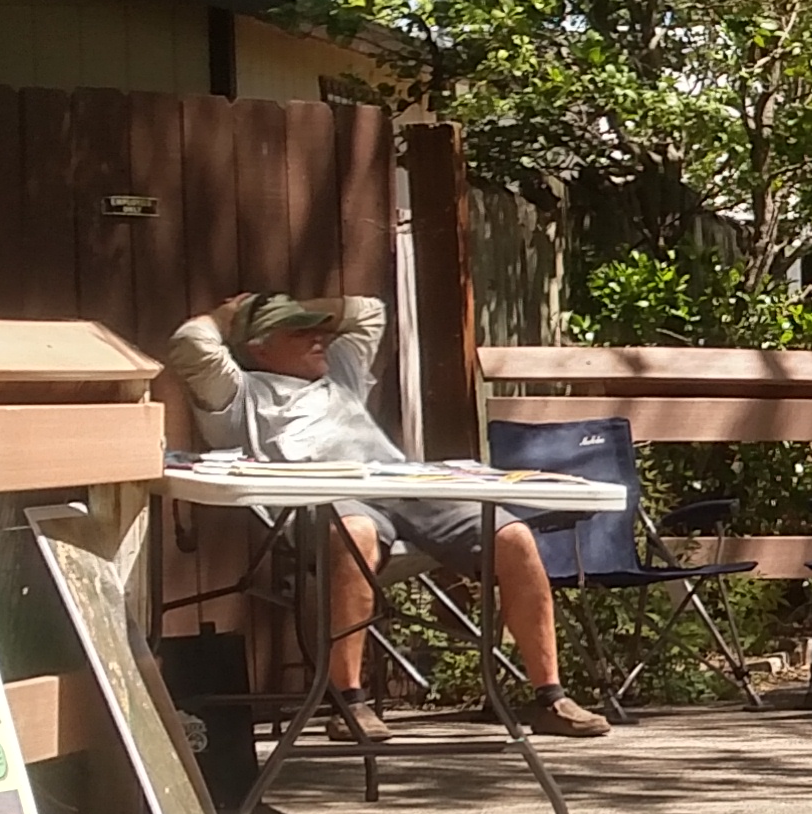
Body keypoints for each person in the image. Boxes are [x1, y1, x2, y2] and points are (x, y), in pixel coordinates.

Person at [164, 289, 612, 743]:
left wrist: (299, 307)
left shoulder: (339, 372)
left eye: (320, 328)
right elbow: (189, 344)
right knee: (355, 533)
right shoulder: (238, 392)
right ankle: (350, 702)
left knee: (513, 536)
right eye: (300, 332)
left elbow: (369, 311)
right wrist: (227, 315)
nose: (320, 337)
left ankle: (550, 697)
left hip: (400, 484)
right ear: (258, 346)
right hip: (324, 500)